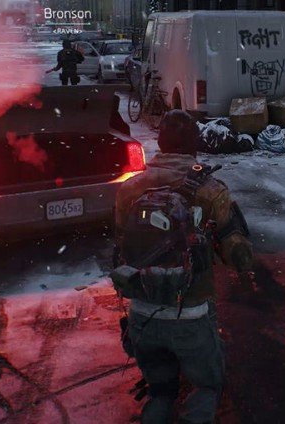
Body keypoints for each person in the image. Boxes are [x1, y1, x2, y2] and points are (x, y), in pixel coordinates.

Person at [111, 110, 252, 424]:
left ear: (161, 142)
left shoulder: (130, 189)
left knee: (160, 391)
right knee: (206, 386)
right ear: (194, 145)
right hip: (191, 314)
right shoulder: (211, 190)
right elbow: (240, 257)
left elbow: (121, 246)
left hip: (142, 315)